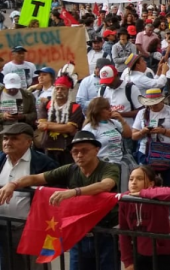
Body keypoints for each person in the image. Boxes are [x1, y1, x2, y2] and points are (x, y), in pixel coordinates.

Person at [0, 131, 120, 270]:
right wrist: (13, 184)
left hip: (105, 232)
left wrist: (74, 192)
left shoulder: (109, 167)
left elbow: (106, 185)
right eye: (75, 152)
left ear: (96, 150)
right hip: (78, 232)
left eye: (84, 150)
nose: (79, 155)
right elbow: (35, 178)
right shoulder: (70, 169)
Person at [0, 123, 58, 270]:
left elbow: (56, 193)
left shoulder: (44, 163)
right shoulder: (0, 160)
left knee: (35, 267)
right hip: (3, 227)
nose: (7, 142)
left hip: (31, 228)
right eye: (5, 138)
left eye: (14, 138)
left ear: (28, 141)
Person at [119, 165, 170, 270]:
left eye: (139, 179)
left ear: (151, 183)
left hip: (163, 254)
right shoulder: (125, 199)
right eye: (131, 179)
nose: (133, 182)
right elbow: (124, 232)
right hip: (140, 253)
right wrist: (127, 261)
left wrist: (141, 194)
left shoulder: (156, 196)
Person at [36, 75, 84, 165]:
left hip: (67, 148)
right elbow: (41, 125)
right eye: (57, 89)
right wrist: (62, 125)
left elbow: (70, 129)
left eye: (63, 89)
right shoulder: (45, 104)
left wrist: (48, 125)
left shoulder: (75, 107)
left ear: (68, 91)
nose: (59, 91)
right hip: (48, 147)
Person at [81, 96, 132, 164]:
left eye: (110, 108)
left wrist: (121, 120)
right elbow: (85, 149)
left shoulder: (113, 122)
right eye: (107, 109)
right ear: (98, 110)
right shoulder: (89, 128)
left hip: (119, 162)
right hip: (102, 164)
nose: (110, 110)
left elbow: (128, 134)